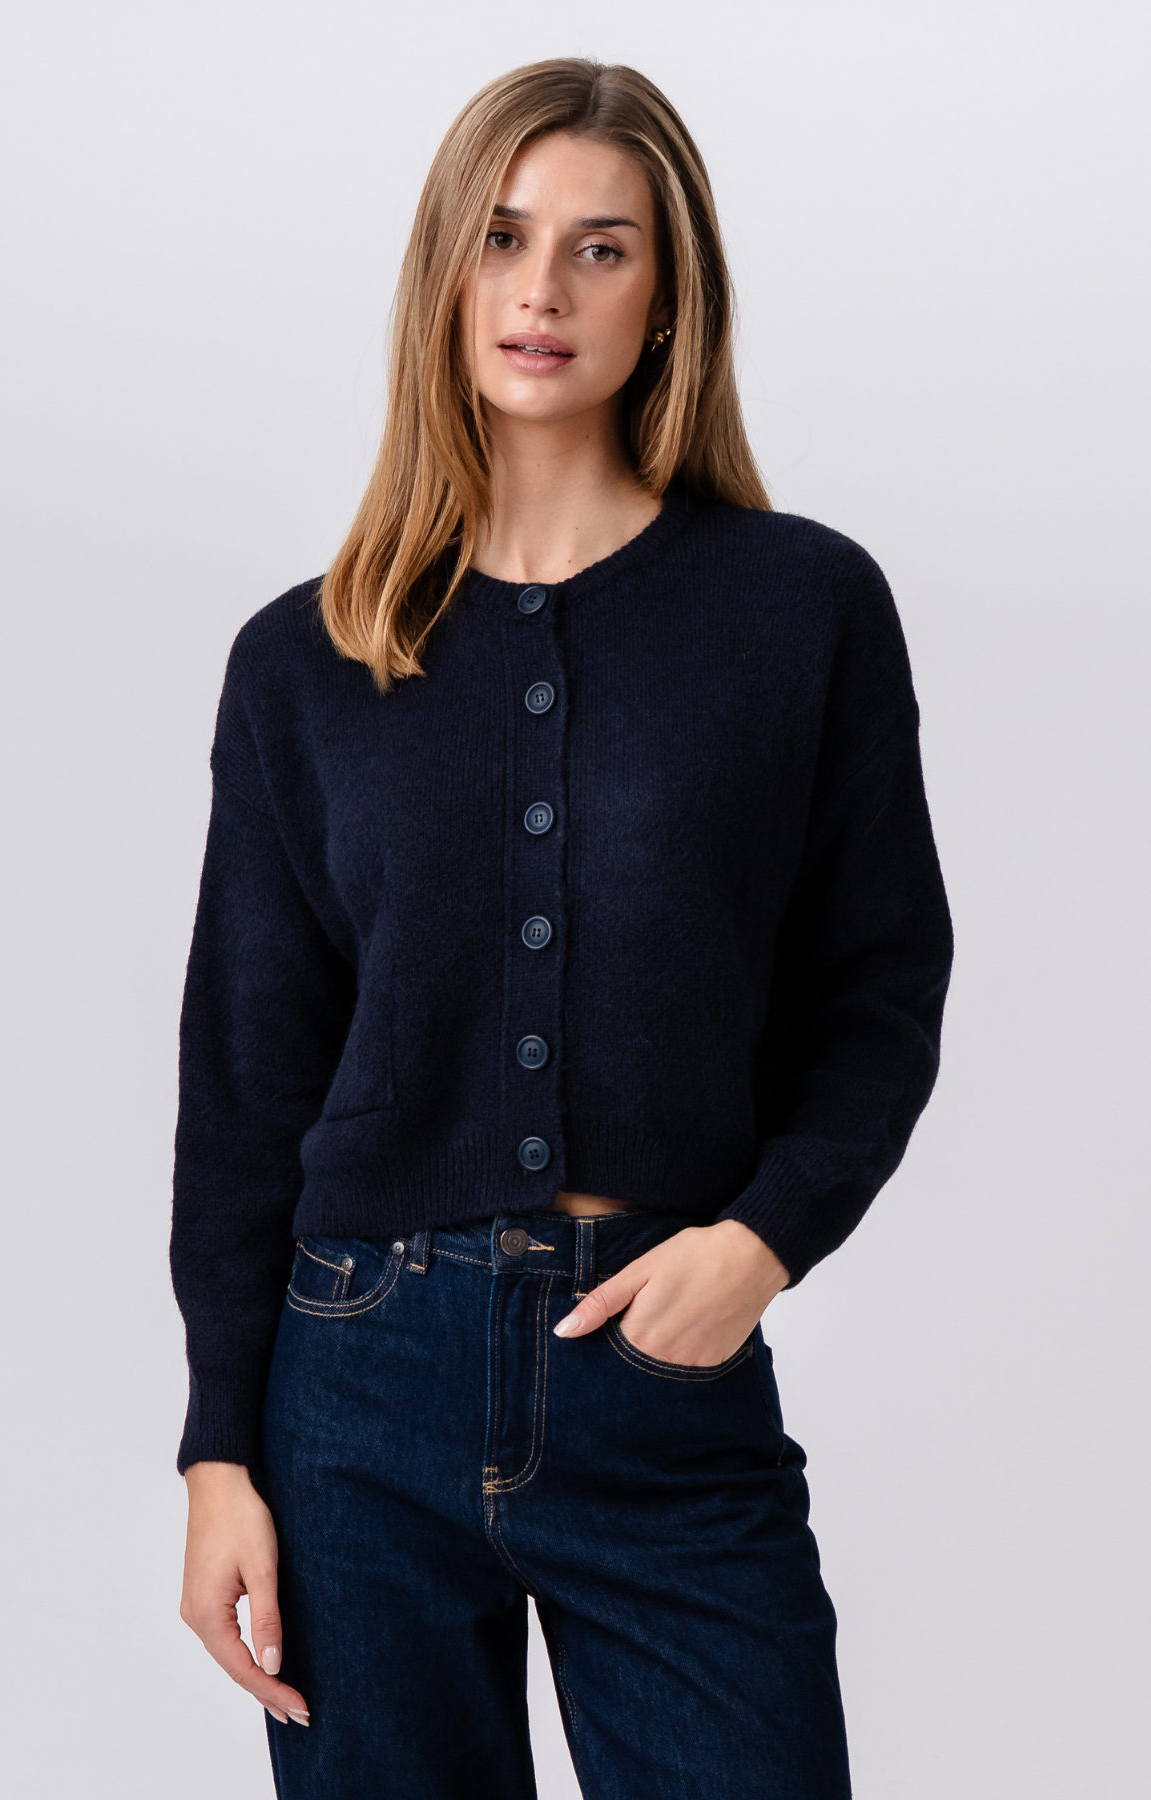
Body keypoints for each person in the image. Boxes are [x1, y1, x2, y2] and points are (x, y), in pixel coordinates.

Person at [171, 57, 953, 1800]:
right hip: (354, 1390)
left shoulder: (801, 607)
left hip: (660, 1371)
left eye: (603, 248)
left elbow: (882, 986)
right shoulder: (308, 659)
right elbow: (245, 1078)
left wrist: (764, 1239)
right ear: (445, 271)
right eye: (506, 238)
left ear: (669, 296)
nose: (544, 291)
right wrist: (221, 1449)